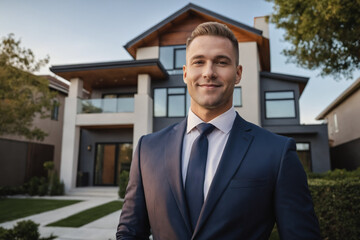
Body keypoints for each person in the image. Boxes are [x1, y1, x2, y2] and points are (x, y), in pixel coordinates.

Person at [117, 22, 321, 240]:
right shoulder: (147, 149)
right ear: (185, 73)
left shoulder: (277, 153)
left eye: (221, 62)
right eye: (199, 62)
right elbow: (130, 232)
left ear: (238, 73)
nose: (209, 72)